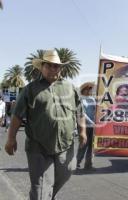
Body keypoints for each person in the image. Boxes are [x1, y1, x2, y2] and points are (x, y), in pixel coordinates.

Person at [5, 49, 87, 200]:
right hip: (38, 147)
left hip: (65, 145)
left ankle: (49, 195)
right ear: (41, 67)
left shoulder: (70, 88)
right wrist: (11, 138)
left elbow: (79, 112)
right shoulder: (30, 89)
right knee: (40, 191)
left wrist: (82, 132)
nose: (52, 69)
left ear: (60, 68)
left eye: (56, 66)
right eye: (48, 65)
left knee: (68, 171)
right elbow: (17, 116)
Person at [76, 82, 96, 170]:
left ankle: (89, 164)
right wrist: (91, 122)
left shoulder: (93, 99)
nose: (90, 90)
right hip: (84, 126)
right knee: (83, 145)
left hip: (93, 126)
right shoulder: (80, 100)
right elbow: (82, 113)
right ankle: (77, 163)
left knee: (92, 146)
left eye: (91, 89)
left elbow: (96, 111)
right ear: (84, 90)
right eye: (89, 89)